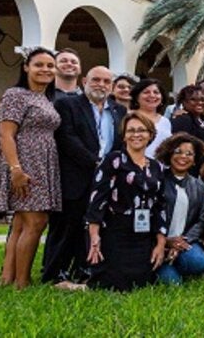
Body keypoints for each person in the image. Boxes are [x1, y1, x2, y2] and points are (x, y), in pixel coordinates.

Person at [0, 47, 61, 290]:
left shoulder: (45, 98)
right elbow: (5, 133)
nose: (45, 70)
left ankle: (7, 279)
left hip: (44, 161)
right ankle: (23, 281)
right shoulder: (15, 94)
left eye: (50, 66)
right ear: (26, 67)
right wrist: (15, 169)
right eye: (39, 64)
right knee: (36, 221)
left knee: (21, 222)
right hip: (25, 160)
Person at [45, 64, 124, 285]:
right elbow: (67, 138)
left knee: (90, 229)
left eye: (106, 81)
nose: (101, 85)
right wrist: (97, 163)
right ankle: (54, 271)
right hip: (75, 177)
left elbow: (120, 144)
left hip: (105, 182)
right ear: (84, 82)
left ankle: (83, 269)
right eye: (96, 80)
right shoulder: (67, 105)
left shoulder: (119, 111)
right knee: (65, 227)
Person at [82, 112, 167, 292]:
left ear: (150, 135)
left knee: (141, 284)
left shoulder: (156, 166)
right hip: (114, 231)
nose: (136, 134)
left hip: (143, 234)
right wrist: (94, 236)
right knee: (111, 286)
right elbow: (97, 199)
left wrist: (160, 243)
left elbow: (160, 205)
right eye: (131, 131)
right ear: (124, 135)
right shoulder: (113, 160)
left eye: (141, 130)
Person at [154, 134, 204, 285]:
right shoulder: (157, 180)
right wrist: (166, 241)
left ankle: (176, 260)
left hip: (184, 240)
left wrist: (182, 242)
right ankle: (164, 262)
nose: (183, 157)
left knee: (198, 262)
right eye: (178, 151)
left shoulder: (199, 186)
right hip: (157, 241)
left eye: (189, 154)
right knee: (172, 283)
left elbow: (201, 219)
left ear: (194, 160)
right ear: (169, 154)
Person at [170, 86, 204, 161]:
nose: (200, 103)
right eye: (193, 100)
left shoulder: (200, 121)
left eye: (202, 100)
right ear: (183, 102)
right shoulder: (183, 120)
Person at [129, 78, 172, 156]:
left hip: (160, 166)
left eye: (156, 92)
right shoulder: (129, 117)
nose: (152, 95)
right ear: (136, 97)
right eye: (146, 92)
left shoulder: (165, 121)